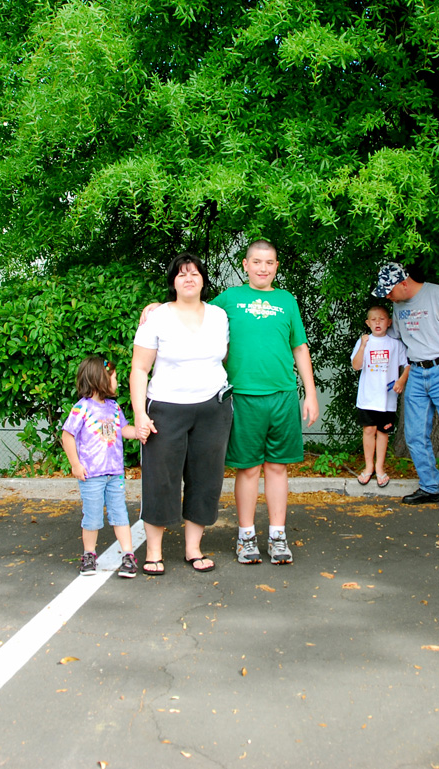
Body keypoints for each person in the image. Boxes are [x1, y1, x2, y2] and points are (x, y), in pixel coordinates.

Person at [211, 240, 319, 566]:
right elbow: (195, 314)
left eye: (269, 262)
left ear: (276, 266)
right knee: (247, 469)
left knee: (277, 467)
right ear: (245, 265)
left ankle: (277, 535)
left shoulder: (287, 301)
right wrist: (159, 307)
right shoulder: (230, 299)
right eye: (256, 262)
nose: (263, 268)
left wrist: (310, 393)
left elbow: (299, 348)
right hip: (243, 396)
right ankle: (246, 536)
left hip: (283, 395)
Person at [130, 253, 232, 576]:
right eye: (181, 274)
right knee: (161, 480)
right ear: (173, 282)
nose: (188, 278)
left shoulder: (219, 316)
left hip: (212, 408)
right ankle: (155, 552)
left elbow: (223, 357)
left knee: (206, 479)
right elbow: (139, 368)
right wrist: (138, 414)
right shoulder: (157, 317)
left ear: (203, 279)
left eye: (194, 273)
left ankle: (193, 549)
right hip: (166, 409)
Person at [371, 262, 439, 523]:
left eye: (389, 291)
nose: (387, 297)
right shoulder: (398, 305)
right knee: (414, 434)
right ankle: (430, 487)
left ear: (404, 283)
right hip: (417, 373)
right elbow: (398, 333)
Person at [61, 355, 140, 578]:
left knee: (120, 514)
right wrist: (75, 465)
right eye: (114, 377)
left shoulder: (114, 408)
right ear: (100, 379)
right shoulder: (81, 408)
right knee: (92, 516)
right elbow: (67, 436)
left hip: (114, 473)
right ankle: (89, 555)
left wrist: (138, 431)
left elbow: (123, 430)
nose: (117, 382)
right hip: (91, 474)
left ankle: (127, 555)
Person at [350, 302, 408, 487]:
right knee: (368, 430)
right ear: (367, 323)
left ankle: (380, 468)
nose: (378, 323)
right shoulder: (364, 342)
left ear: (389, 322)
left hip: (387, 399)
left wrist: (400, 381)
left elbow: (407, 365)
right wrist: (362, 346)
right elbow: (356, 365)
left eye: (381, 319)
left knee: (383, 432)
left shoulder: (395, 344)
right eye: (373, 319)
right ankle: (368, 467)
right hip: (367, 397)